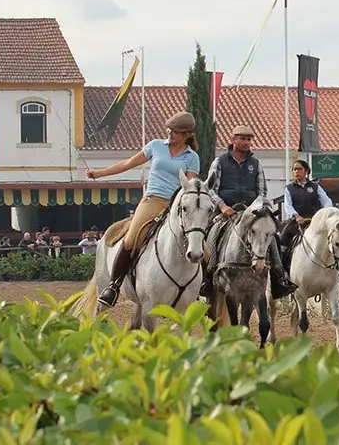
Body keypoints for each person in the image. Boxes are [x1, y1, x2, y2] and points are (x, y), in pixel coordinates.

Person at [87, 112, 201, 307]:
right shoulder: (156, 146)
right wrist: (99, 173)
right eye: (170, 130)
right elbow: (128, 163)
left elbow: (189, 186)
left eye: (175, 132)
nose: (170, 133)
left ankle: (202, 290)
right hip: (152, 201)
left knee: (203, 249)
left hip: (176, 205)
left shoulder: (192, 157)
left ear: (186, 135)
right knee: (132, 239)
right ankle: (114, 285)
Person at [207, 124, 297, 299]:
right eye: (243, 139)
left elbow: (262, 192)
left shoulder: (256, 164)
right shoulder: (219, 162)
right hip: (226, 212)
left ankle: (278, 277)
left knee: (272, 237)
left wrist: (254, 208)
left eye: (249, 139)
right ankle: (208, 275)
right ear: (233, 140)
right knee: (211, 233)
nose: (247, 143)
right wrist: (222, 206)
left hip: (252, 213)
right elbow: (211, 189)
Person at [278, 158, 334, 265]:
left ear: (306, 171)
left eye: (299, 169)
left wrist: (324, 215)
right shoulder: (289, 188)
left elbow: (326, 201)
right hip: (296, 222)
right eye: (294, 169)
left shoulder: (315, 187)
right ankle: (282, 269)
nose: (296, 172)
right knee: (282, 240)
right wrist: (297, 216)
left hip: (314, 222)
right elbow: (288, 206)